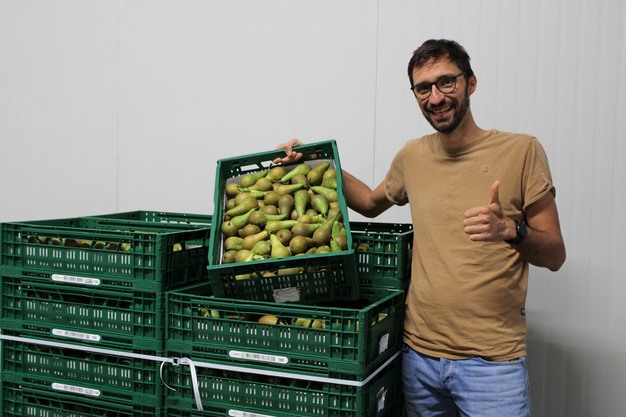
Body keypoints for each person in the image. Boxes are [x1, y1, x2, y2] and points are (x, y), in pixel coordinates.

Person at [275, 39, 566, 417]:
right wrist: (319, 159)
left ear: (471, 82)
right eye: (423, 88)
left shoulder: (522, 151)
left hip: (492, 365)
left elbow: (555, 254)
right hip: (419, 358)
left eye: (446, 82)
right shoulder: (412, 155)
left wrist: (512, 230)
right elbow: (369, 203)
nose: (436, 97)